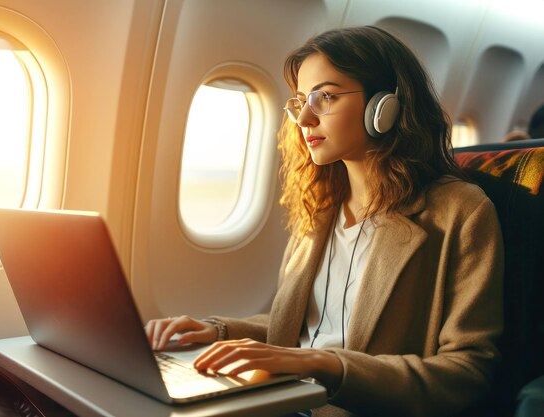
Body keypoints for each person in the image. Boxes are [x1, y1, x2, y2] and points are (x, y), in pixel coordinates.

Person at [145, 26, 503, 417]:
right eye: (299, 100)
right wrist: (217, 332)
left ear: (385, 106)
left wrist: (325, 364)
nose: (303, 117)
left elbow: (468, 373)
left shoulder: (460, 212)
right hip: (284, 401)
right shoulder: (320, 207)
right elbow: (302, 329)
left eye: (326, 97)